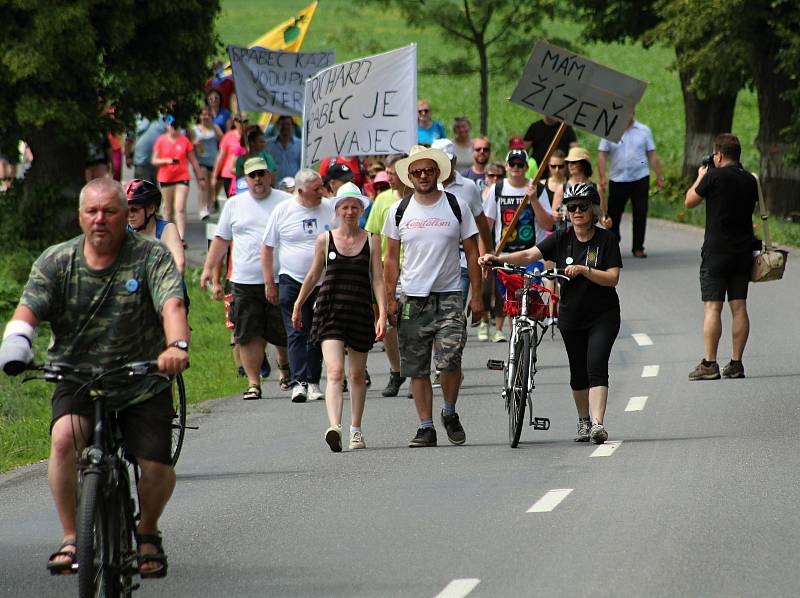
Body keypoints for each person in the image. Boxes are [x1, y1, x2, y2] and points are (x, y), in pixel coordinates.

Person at [0, 177, 189, 577]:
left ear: (127, 215)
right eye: (92, 211)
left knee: (155, 467)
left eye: (110, 211)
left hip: (141, 378)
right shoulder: (58, 260)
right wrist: (17, 340)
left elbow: (171, 302)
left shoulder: (150, 256)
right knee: (65, 439)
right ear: (81, 216)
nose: (100, 219)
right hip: (77, 375)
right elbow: (28, 306)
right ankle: (72, 536)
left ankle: (148, 531)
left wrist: (176, 347)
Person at [479, 183, 622, 444]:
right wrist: (496, 258)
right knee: (578, 371)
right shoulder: (561, 238)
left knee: (596, 365)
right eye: (572, 207)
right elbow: (529, 254)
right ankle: (583, 422)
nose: (578, 211)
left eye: (583, 206)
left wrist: (584, 270)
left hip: (603, 314)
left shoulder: (606, 240)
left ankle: (598, 424)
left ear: (594, 210)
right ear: (567, 211)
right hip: (571, 315)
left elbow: (613, 278)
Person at [382, 145, 484, 447]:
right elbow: (390, 258)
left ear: (438, 173)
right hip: (413, 298)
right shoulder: (398, 210)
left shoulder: (456, 206)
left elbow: (472, 249)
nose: (423, 176)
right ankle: (426, 427)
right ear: (409, 177)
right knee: (417, 364)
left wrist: (477, 295)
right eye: (417, 172)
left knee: (450, 360)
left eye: (428, 171)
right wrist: (390, 298)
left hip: (450, 294)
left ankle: (449, 411)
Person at [291, 185, 386, 451]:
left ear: (361, 210)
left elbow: (378, 280)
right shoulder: (325, 240)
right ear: (337, 210)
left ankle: (356, 429)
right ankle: (335, 427)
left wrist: (382, 314)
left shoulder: (372, 240)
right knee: (334, 371)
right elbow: (312, 276)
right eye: (344, 206)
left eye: (354, 206)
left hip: (359, 311)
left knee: (356, 374)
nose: (349, 211)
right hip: (329, 310)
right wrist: (298, 304)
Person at [200, 157, 292, 399]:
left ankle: (285, 369)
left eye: (261, 174)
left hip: (281, 277)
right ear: (245, 179)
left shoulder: (286, 201)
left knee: (282, 331)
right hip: (244, 280)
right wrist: (209, 269)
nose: (258, 179)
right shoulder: (234, 204)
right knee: (247, 333)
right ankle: (254, 383)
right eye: (252, 176)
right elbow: (221, 239)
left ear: (270, 175)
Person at [684, 133, 758, 380]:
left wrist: (701, 177)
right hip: (743, 252)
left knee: (712, 308)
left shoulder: (713, 176)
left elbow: (690, 201)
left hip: (716, 251)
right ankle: (736, 363)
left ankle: (710, 364)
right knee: (739, 307)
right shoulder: (750, 180)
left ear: (719, 155)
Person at [262, 169, 335, 403]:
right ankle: (298, 382)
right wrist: (268, 282)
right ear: (301, 191)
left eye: (322, 187)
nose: (321, 192)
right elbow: (267, 247)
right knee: (296, 331)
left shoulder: (329, 208)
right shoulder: (283, 211)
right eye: (316, 189)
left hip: (322, 282)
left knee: (317, 332)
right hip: (291, 279)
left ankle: (313, 381)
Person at [482, 148, 555, 342]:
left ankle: (529, 339)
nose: (516, 168)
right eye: (512, 164)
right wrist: (485, 254)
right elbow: (486, 226)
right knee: (511, 303)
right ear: (506, 166)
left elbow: (548, 224)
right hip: (504, 256)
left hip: (531, 256)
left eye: (520, 164)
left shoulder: (537, 189)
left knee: (528, 299)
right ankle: (517, 342)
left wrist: (533, 201)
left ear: (525, 167)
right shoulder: (497, 189)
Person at [364, 154, 409, 397]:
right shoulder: (382, 200)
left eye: (394, 173)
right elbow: (373, 234)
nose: (389, 178)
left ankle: (416, 373)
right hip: (385, 270)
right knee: (388, 326)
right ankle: (396, 371)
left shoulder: (417, 199)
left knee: (414, 326)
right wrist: (373, 267)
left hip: (413, 270)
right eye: (388, 173)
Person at [432, 138, 492, 305]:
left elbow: (481, 221)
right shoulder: (425, 188)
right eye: (440, 161)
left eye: (448, 161)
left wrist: (488, 251)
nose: (445, 166)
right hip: (430, 262)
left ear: (454, 160)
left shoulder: (468, 187)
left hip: (462, 261)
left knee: (455, 316)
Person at [598, 116, 665, 258]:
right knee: (613, 214)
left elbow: (652, 154)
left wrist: (659, 176)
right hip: (617, 178)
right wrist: (602, 175)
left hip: (639, 177)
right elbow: (602, 154)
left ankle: (638, 247)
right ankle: (613, 242)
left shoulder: (643, 130)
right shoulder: (610, 129)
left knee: (640, 212)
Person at [151, 116, 206, 241]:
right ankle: (167, 235)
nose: (174, 128)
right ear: (167, 126)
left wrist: (201, 178)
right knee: (168, 209)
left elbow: (193, 161)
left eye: (176, 126)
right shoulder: (161, 140)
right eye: (172, 125)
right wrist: (167, 161)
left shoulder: (184, 141)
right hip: (166, 178)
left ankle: (180, 237)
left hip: (182, 177)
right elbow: (154, 160)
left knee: (180, 208)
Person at [125, 179, 185, 274]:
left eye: (134, 210)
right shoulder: (122, 231)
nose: (130, 215)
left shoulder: (167, 230)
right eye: (126, 210)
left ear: (151, 208)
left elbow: (179, 264)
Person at [551, 147, 611, 229]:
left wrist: (606, 221)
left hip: (589, 236)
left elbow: (602, 215)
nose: (570, 165)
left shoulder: (596, 188)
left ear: (584, 164)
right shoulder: (562, 188)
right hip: (566, 236)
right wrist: (556, 215)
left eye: (574, 162)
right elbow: (554, 217)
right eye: (568, 162)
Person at [192, 105, 224, 221]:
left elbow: (223, 140)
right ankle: (202, 208)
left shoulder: (214, 127)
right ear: (200, 116)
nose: (206, 117)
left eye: (208, 115)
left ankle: (210, 204)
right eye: (204, 114)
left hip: (213, 160)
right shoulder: (194, 129)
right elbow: (189, 144)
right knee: (203, 184)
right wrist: (194, 143)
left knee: (211, 185)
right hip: (200, 161)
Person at [211, 114, 248, 198]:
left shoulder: (250, 136)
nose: (243, 124)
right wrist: (215, 176)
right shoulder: (228, 136)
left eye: (245, 121)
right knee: (233, 201)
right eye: (240, 121)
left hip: (246, 175)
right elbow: (220, 157)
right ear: (235, 122)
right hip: (230, 175)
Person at [126, 115, 167, 185]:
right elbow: (128, 141)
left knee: (153, 188)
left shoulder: (163, 119)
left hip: (157, 162)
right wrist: (128, 156)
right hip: (141, 162)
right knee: (144, 188)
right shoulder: (137, 120)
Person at [265, 115, 302, 182]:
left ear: (292, 126)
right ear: (277, 126)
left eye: (288, 124)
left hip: (294, 186)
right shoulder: (268, 144)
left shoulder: (300, 144)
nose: (285, 127)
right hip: (275, 185)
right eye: (282, 124)